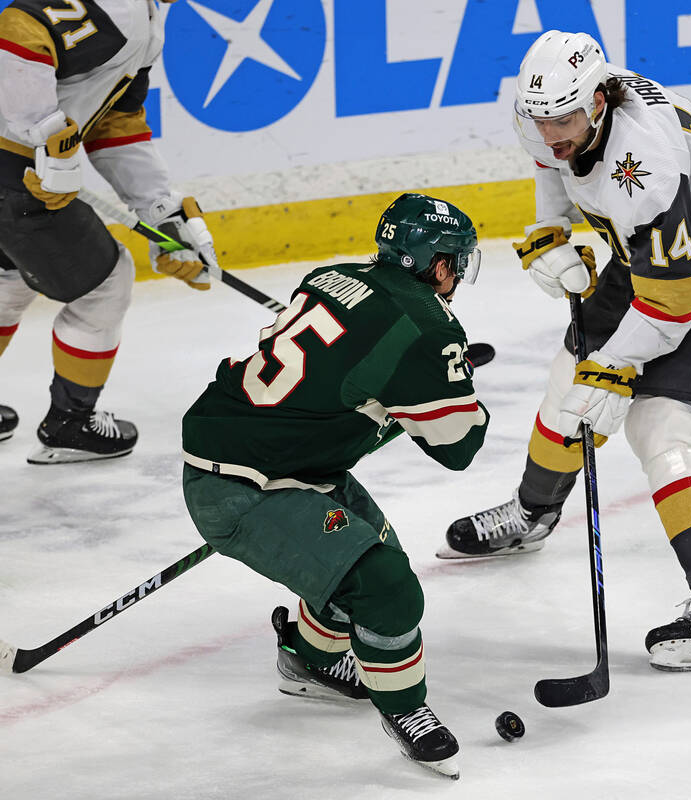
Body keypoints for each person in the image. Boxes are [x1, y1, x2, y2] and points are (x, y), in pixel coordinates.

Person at [441, 31, 691, 672]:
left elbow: (673, 305)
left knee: (662, 422)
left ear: (599, 101)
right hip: (646, 253)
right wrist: (549, 230)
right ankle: (534, 513)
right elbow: (553, 161)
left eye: (563, 120)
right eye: (540, 120)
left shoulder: (643, 168)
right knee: (568, 383)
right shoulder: (553, 108)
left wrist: (617, 368)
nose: (549, 133)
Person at [180, 193, 488, 779]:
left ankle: (309, 659)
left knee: (372, 558)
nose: (457, 276)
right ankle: (408, 710)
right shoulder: (430, 327)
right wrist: (448, 384)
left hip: (265, 453)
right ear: (440, 265)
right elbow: (458, 447)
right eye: (456, 261)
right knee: (387, 588)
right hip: (250, 487)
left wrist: (413, 381)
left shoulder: (333, 276)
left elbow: (335, 364)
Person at [0, 0, 214, 463]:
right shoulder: (125, 7)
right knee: (107, 280)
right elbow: (16, 37)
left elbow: (116, 125)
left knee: (6, 273)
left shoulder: (146, 19)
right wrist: (47, 131)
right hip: (4, 158)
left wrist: (160, 211)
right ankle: (71, 424)